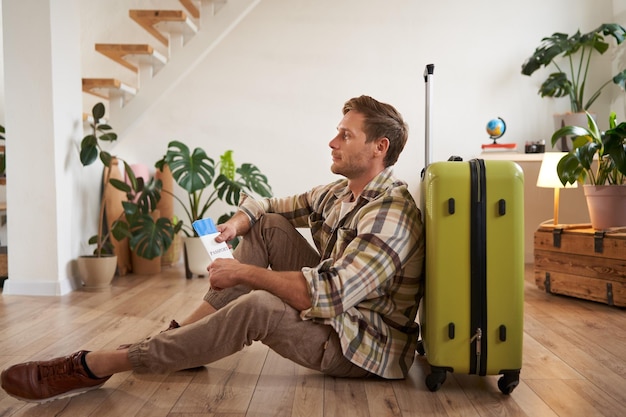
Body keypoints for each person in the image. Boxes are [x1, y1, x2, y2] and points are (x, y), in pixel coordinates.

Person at [1, 95, 425, 403]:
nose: (332, 142)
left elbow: (327, 296)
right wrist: (239, 222)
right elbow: (270, 206)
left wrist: (241, 273)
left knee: (260, 304)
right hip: (343, 313)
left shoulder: (391, 214)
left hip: (366, 344)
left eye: (345, 135)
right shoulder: (341, 192)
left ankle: (97, 364)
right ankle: (181, 339)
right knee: (270, 227)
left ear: (378, 148)